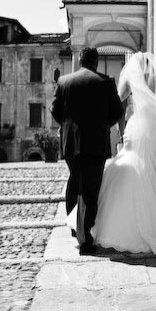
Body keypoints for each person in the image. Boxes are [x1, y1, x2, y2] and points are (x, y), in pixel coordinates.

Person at [69, 52, 156, 254]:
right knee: (153, 168)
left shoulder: (132, 80)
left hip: (138, 125)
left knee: (132, 162)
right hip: (155, 127)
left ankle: (110, 222)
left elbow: (116, 101)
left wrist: (106, 121)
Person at [50, 47, 124, 255]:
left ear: (81, 60)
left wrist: (67, 126)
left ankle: (74, 229)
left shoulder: (64, 81)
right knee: (90, 189)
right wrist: (102, 125)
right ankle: (85, 240)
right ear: (96, 62)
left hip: (70, 143)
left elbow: (55, 110)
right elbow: (117, 112)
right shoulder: (106, 81)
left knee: (74, 182)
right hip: (95, 142)